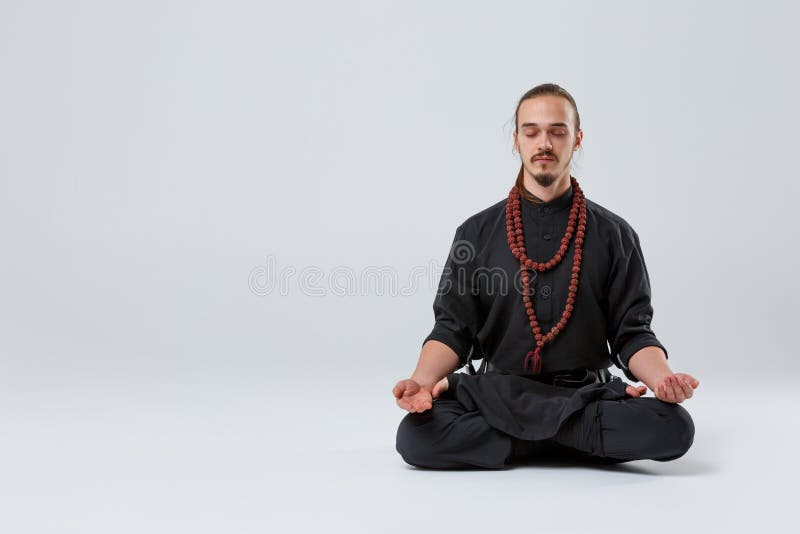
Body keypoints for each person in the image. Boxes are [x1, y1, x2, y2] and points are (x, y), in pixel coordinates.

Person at [392, 83, 699, 469]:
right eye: (531, 131)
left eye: (558, 131)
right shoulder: (476, 232)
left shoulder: (615, 235)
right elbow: (452, 328)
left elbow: (632, 332)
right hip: (498, 393)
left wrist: (663, 381)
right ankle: (577, 442)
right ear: (516, 141)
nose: (544, 143)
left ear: (577, 139)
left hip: (585, 395)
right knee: (415, 436)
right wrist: (421, 382)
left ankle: (522, 442)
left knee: (674, 427)